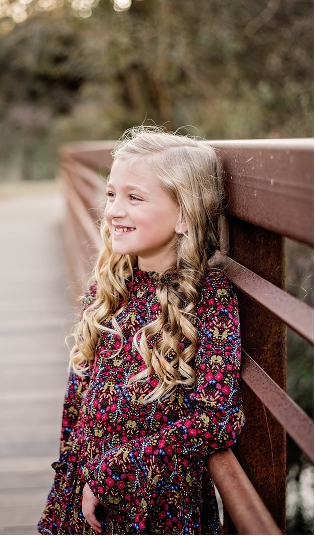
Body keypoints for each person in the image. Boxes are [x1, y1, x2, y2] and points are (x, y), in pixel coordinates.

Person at [38, 126, 245, 534]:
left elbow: (217, 419)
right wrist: (72, 477)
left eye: (134, 197)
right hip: (82, 489)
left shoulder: (210, 299)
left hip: (153, 500)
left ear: (185, 214)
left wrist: (113, 473)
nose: (113, 210)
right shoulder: (109, 286)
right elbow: (77, 399)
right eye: (112, 194)